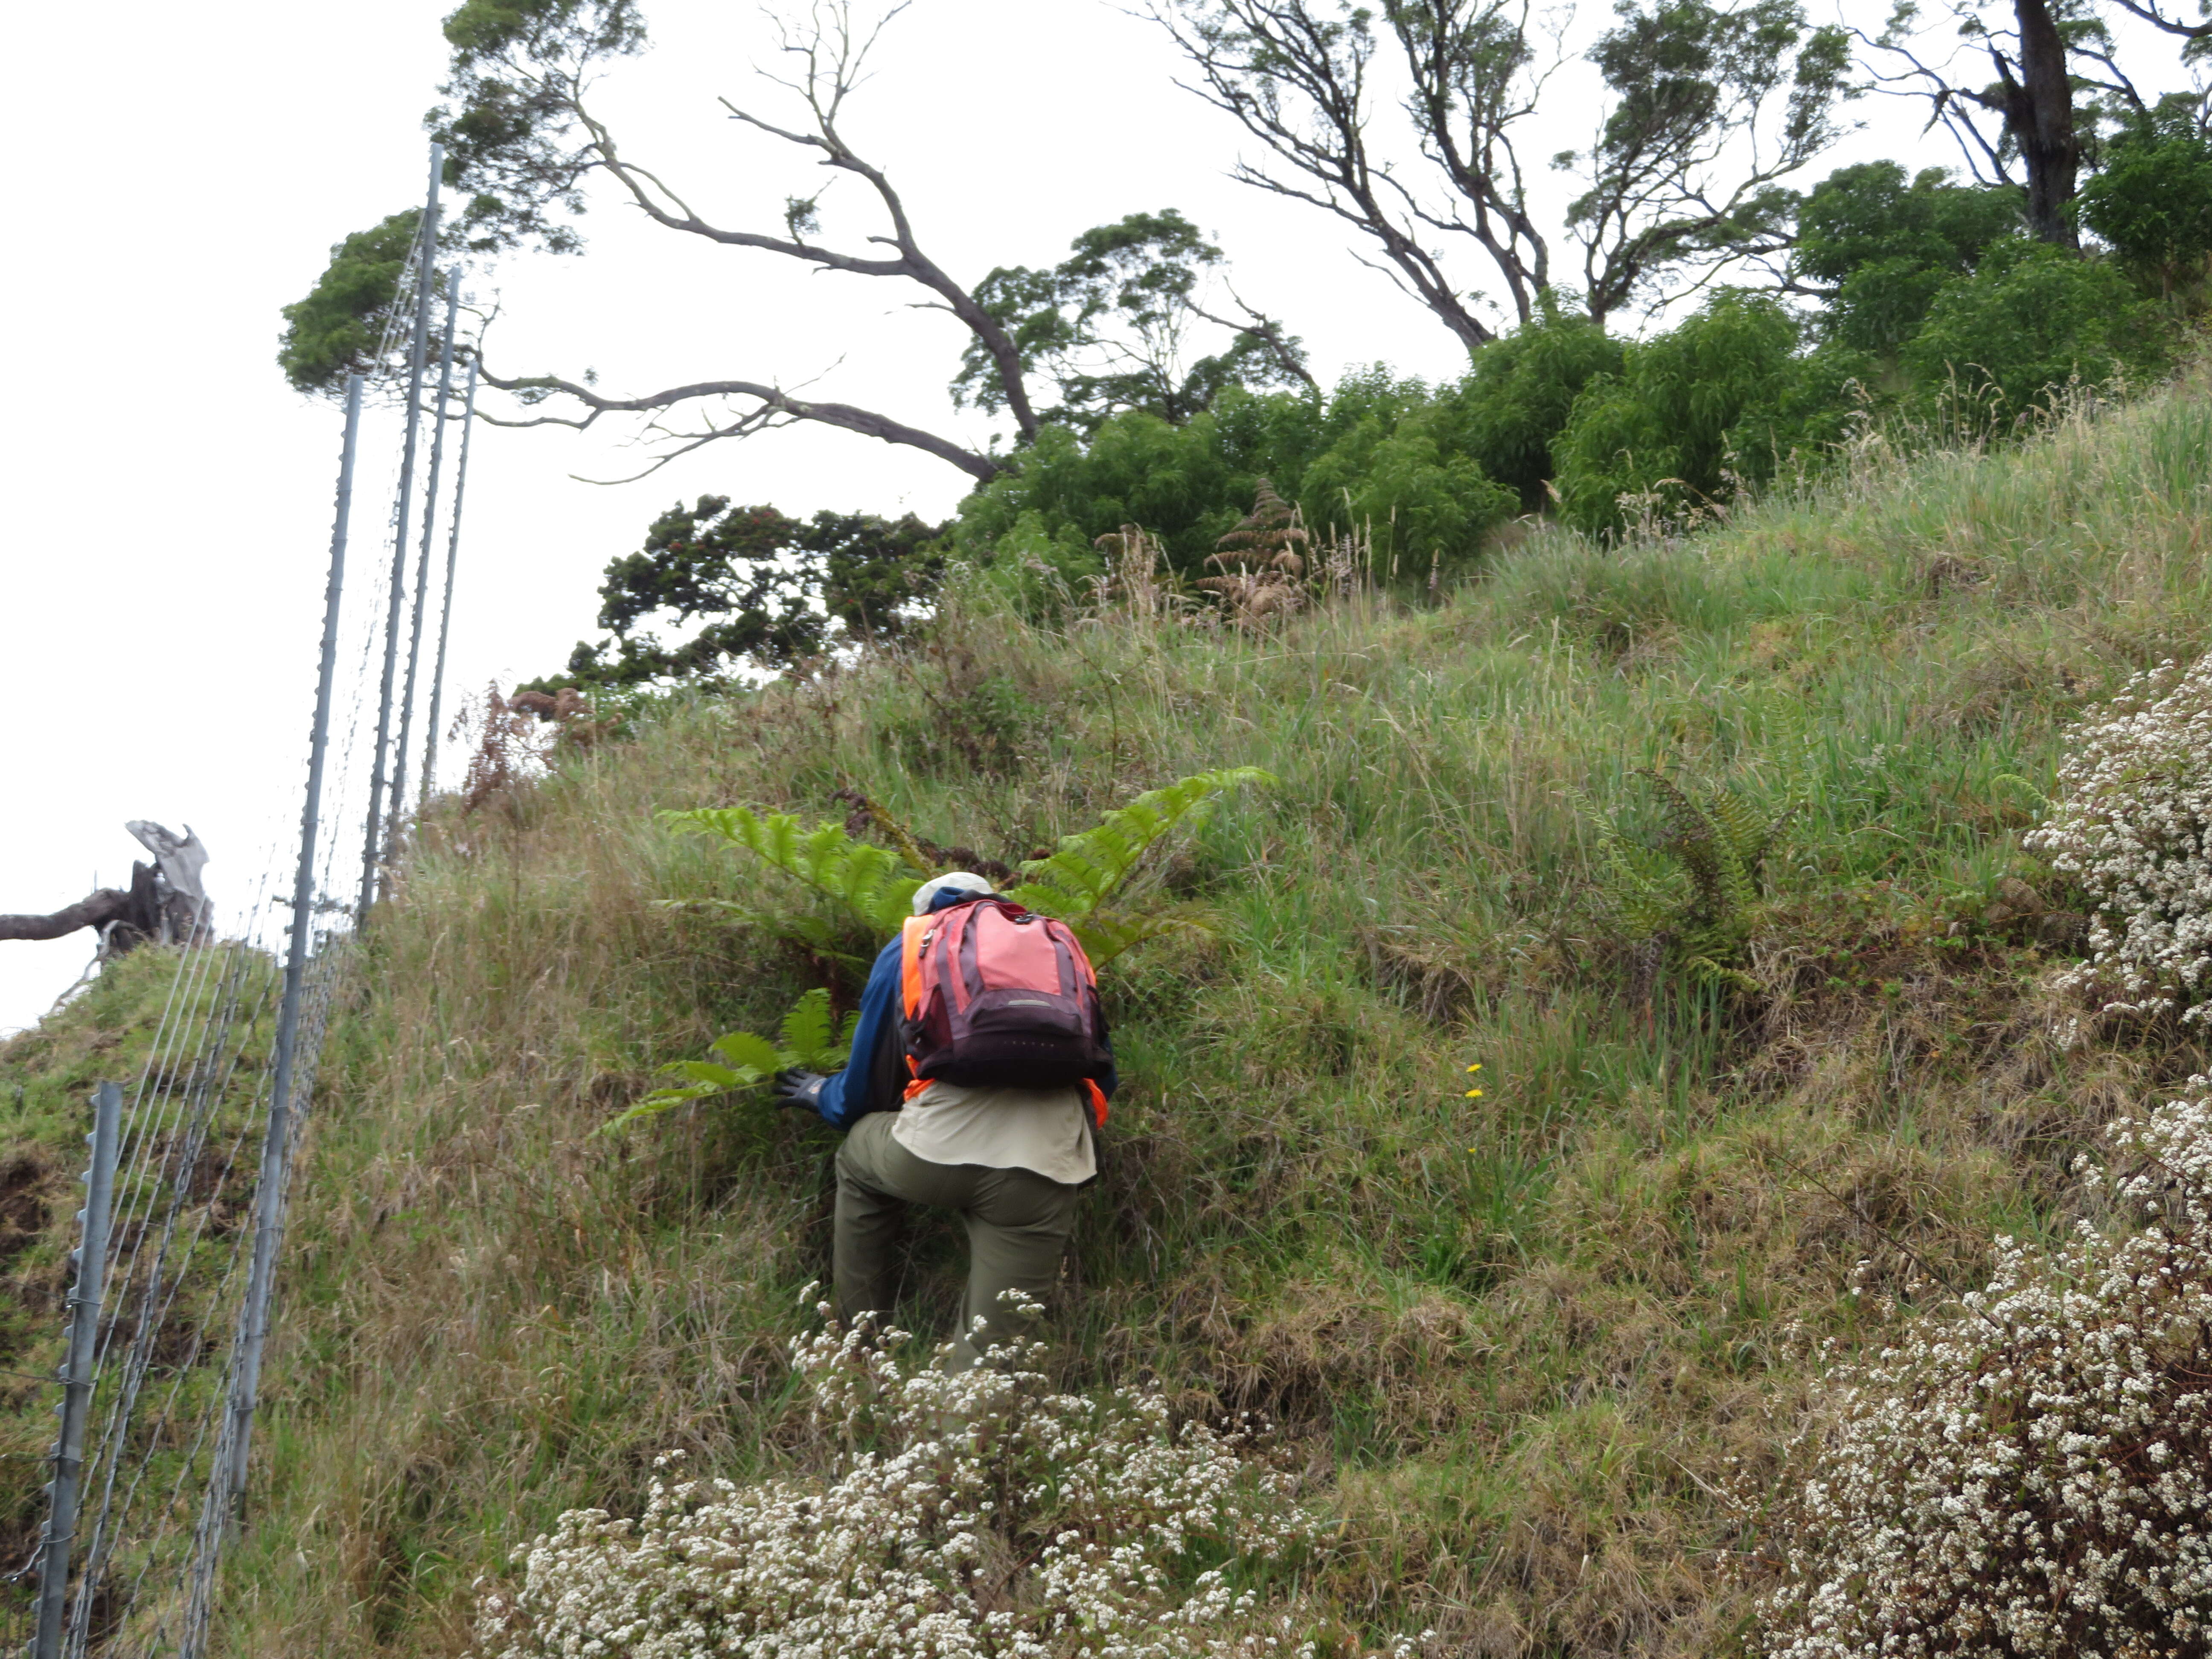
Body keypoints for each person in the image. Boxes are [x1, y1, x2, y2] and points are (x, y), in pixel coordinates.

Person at [776, 871, 1115, 1368]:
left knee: (857, 1159)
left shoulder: (913, 944)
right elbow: (1103, 1077)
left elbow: (864, 1089)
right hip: (1045, 1169)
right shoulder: (1057, 947)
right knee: (989, 1361)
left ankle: (860, 1342)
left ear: (926, 910)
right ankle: (958, 1436)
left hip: (931, 1156)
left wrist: (821, 1093)